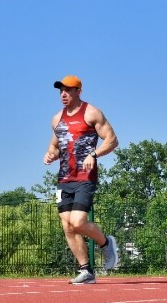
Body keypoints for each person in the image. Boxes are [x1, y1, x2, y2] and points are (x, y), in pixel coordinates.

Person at [43, 75, 119, 284]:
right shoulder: (57, 119)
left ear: (79, 91)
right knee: (67, 226)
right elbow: (55, 145)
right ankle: (86, 271)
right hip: (64, 177)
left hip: (85, 177)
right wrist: (50, 154)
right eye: (61, 90)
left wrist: (93, 155)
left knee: (78, 221)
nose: (63, 94)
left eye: (68, 90)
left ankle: (106, 244)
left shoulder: (91, 113)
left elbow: (112, 140)